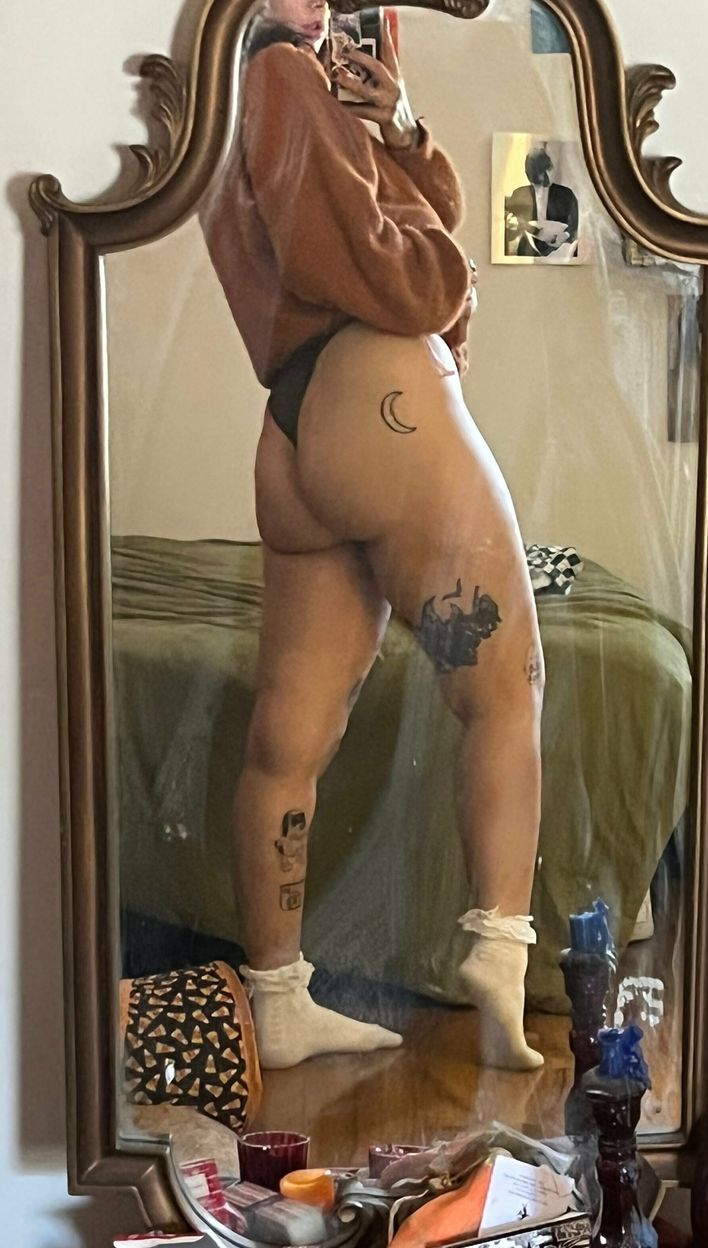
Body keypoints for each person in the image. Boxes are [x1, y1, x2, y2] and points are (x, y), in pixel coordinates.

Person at [201, 0, 545, 1073]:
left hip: (299, 423)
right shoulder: (278, 76)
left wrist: (396, 129)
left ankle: (278, 996)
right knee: (507, 686)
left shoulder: (227, 92)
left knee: (289, 738)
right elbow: (385, 270)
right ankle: (499, 949)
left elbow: (388, 217)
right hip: (383, 397)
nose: (321, 7)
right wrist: (452, 276)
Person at [504, 145, 580, 260]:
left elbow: (575, 224)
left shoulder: (566, 194)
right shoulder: (519, 194)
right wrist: (511, 226)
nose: (544, 177)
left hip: (561, 251)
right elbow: (509, 233)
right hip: (528, 251)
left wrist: (562, 238)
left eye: (546, 171)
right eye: (538, 174)